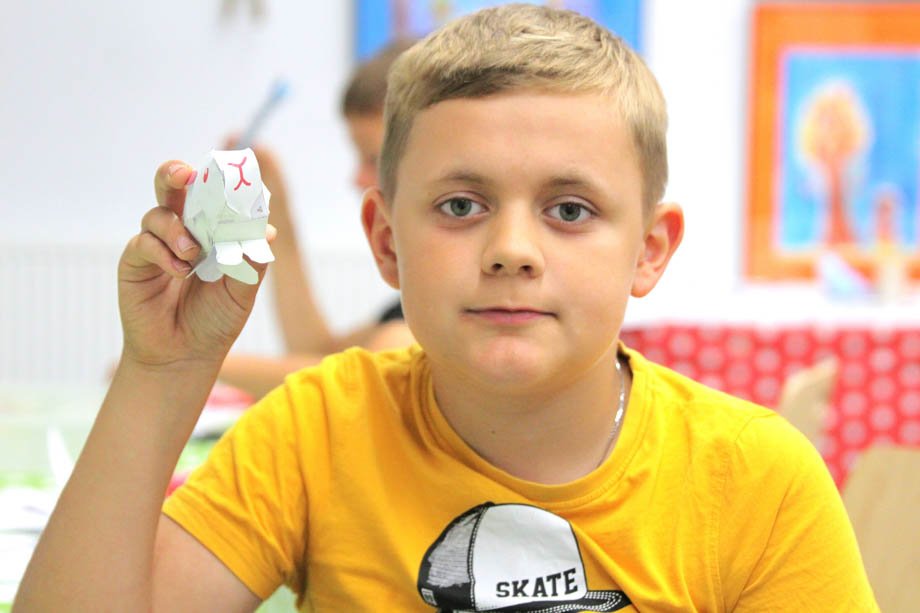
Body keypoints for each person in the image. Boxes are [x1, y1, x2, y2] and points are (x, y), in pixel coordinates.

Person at [15, 5, 877, 612]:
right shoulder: (317, 429)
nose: (512, 248)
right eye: (461, 205)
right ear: (386, 241)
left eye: (569, 209)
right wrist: (163, 370)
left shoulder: (758, 482)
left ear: (649, 249)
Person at [218, 40, 416, 398]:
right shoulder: (407, 304)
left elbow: (354, 377)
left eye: (374, 160)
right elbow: (315, 350)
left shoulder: (429, 317)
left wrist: (181, 362)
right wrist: (275, 210)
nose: (357, 179)